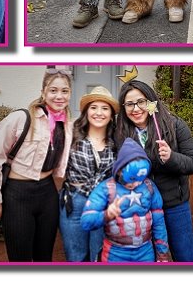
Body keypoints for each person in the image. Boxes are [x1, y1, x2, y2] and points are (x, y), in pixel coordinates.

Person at [0, 67, 73, 261]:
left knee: (44, 257)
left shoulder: (67, 125)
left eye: (64, 91)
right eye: (53, 90)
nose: (59, 96)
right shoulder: (21, 118)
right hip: (18, 195)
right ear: (43, 92)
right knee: (19, 258)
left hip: (47, 194)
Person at [114, 79, 193, 261]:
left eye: (141, 102)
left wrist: (171, 157)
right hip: (139, 209)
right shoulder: (120, 132)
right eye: (129, 104)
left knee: (184, 257)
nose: (136, 109)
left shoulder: (174, 125)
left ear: (151, 102)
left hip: (174, 206)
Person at [80, 138, 170, 262]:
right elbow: (86, 222)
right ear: (120, 170)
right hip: (115, 253)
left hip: (145, 252)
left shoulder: (149, 187)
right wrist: (107, 215)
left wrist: (162, 253)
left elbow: (159, 222)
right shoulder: (106, 188)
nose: (136, 184)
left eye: (140, 179)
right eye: (132, 179)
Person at [61, 86, 119, 262]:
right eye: (93, 107)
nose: (99, 113)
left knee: (98, 253)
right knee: (76, 255)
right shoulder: (71, 133)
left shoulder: (116, 140)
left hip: (103, 203)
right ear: (86, 111)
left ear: (111, 114)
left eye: (105, 108)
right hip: (74, 200)